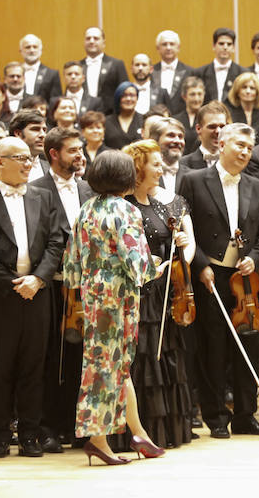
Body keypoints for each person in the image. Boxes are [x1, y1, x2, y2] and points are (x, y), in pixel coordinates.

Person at [63, 150, 163, 464]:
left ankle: (138, 434)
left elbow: (70, 263)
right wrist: (153, 268)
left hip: (92, 293)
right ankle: (97, 440)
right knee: (106, 368)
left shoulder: (86, 208)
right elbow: (137, 262)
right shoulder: (126, 210)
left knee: (113, 366)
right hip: (118, 296)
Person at [178, 123, 259, 439]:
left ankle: (246, 415)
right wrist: (201, 264)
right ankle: (216, 415)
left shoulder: (257, 186)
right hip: (211, 275)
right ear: (222, 145)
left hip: (244, 276)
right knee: (213, 345)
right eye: (240, 146)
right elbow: (184, 229)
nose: (246, 152)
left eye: (249, 147)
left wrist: (256, 258)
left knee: (248, 339)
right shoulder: (193, 181)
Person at [0, 137, 64, 458]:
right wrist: (12, 283)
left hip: (37, 294)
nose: (28, 164)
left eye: (29, 158)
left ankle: (29, 435)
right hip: (0, 297)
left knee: (33, 367)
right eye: (20, 158)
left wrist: (38, 279)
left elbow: (55, 243)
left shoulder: (44, 196)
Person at [120, 140, 195, 449]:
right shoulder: (124, 206)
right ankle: (140, 430)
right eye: (154, 163)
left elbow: (184, 246)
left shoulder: (163, 205)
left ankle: (167, 432)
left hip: (164, 292)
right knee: (142, 357)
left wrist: (180, 246)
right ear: (138, 169)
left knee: (165, 355)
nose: (160, 167)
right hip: (140, 293)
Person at [31, 127, 93, 452]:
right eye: (73, 151)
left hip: (83, 289)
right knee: (50, 359)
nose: (80, 156)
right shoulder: (36, 189)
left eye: (81, 149)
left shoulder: (86, 188)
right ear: (53, 154)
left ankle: (75, 425)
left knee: (78, 358)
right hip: (52, 287)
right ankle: (48, 427)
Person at [81, 27, 129, 113]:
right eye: (88, 38)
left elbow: (125, 91)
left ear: (103, 42)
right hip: (83, 116)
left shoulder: (117, 64)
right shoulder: (78, 66)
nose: (91, 41)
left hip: (110, 116)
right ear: (84, 42)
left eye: (96, 38)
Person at [194, 27, 244, 104]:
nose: (225, 47)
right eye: (221, 43)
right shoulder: (199, 73)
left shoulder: (242, 73)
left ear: (233, 48)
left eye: (229, 44)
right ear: (214, 46)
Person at [151, 30, 194, 113]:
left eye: (172, 44)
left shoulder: (190, 72)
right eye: (164, 44)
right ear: (158, 48)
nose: (168, 48)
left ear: (178, 47)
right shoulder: (150, 71)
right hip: (156, 120)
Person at [179, 101, 230, 170]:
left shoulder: (235, 162)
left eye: (222, 126)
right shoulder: (183, 164)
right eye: (212, 126)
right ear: (198, 129)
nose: (218, 131)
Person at [225, 72, 259, 143]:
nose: (248, 91)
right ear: (237, 91)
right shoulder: (229, 112)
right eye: (244, 87)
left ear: (257, 92)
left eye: (252, 88)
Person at [104, 82, 145, 149]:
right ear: (118, 98)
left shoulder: (144, 120)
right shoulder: (106, 122)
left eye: (132, 95)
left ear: (137, 98)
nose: (128, 99)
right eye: (124, 95)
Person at [172, 76, 206, 154]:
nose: (196, 99)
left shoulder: (208, 120)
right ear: (184, 96)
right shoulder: (175, 120)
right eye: (192, 94)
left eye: (200, 94)